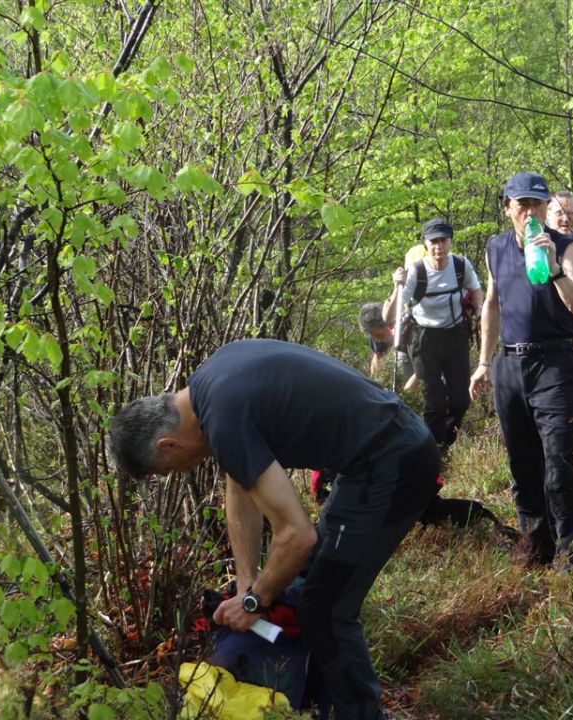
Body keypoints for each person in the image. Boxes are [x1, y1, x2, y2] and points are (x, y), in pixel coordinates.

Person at [109, 339, 440, 720]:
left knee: (326, 609)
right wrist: (248, 581)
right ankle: (325, 702)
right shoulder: (208, 387)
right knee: (308, 579)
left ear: (168, 443)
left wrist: (255, 601)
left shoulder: (222, 418)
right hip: (374, 456)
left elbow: (297, 536)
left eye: (171, 469)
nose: (182, 472)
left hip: (395, 462)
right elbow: (240, 481)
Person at [468, 171, 573, 568]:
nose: (530, 212)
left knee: (560, 465)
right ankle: (536, 550)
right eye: (522, 204)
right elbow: (491, 303)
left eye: (537, 204)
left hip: (554, 364)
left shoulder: (566, 246)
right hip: (510, 364)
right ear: (507, 208)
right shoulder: (496, 248)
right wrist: (483, 362)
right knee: (523, 465)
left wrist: (556, 268)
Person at [384, 217, 483, 451]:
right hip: (424, 338)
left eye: (443, 240)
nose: (439, 247)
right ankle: (429, 451)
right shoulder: (416, 272)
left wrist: (478, 311)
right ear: (425, 244)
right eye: (434, 241)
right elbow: (389, 313)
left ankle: (442, 444)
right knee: (436, 403)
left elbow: (476, 290)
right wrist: (396, 285)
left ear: (450, 242)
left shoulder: (461, 265)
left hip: (455, 335)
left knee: (460, 401)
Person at [357, 302, 417, 392]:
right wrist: (374, 384)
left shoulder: (411, 330)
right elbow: (377, 357)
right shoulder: (375, 333)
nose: (377, 340)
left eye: (379, 335)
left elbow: (424, 367)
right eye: (373, 336)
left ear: (390, 325)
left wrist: (406, 393)